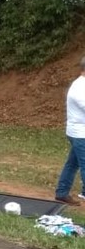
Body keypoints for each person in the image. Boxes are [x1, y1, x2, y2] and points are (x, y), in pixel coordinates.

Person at [54, 55, 85, 206]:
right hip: (80, 134)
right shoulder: (79, 88)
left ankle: (62, 192)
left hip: (80, 132)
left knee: (72, 164)